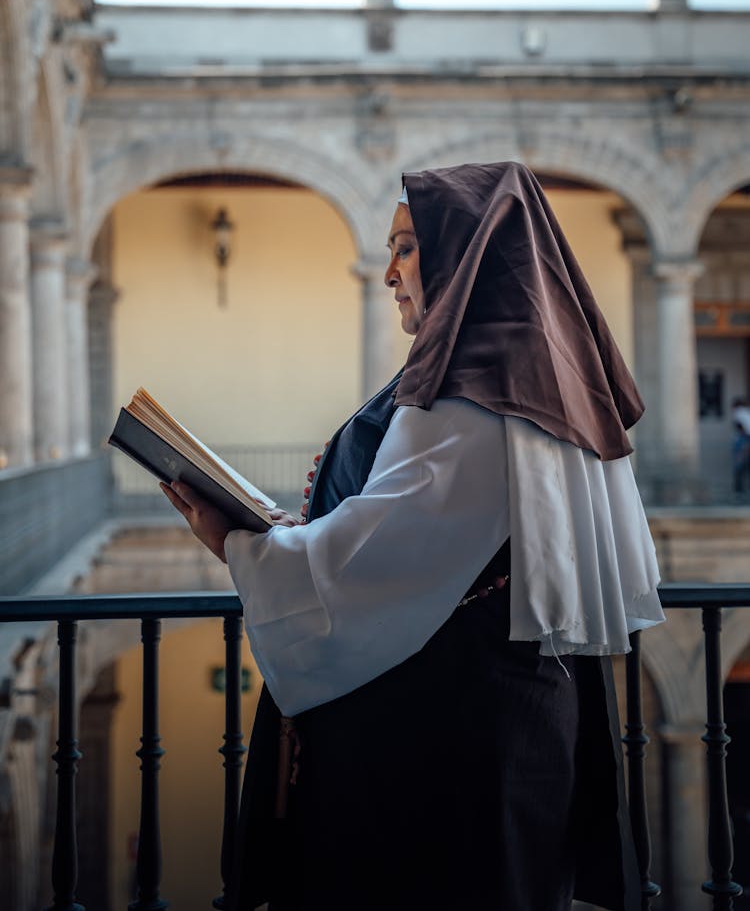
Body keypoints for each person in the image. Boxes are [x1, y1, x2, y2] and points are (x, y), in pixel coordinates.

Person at [162, 161, 664, 911]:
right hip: (487, 723)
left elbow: (376, 561)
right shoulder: (517, 378)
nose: (389, 270)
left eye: (405, 246)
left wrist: (240, 543)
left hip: (446, 748)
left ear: (462, 256)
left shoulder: (474, 400)